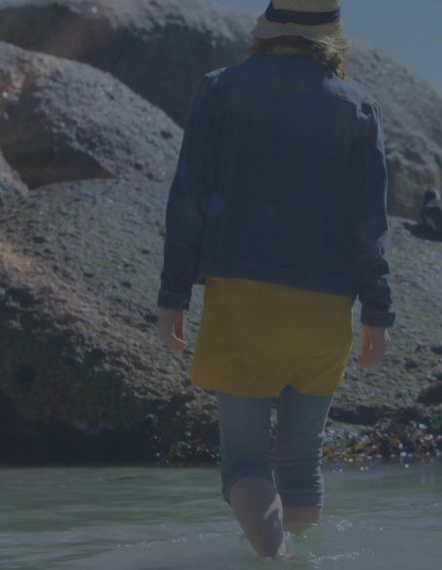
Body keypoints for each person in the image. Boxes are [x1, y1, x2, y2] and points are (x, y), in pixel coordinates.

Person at [153, 0, 395, 559]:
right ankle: (302, 555)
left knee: (243, 460)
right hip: (326, 310)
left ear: (266, 31)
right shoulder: (359, 109)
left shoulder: (220, 89)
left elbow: (187, 201)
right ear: (331, 39)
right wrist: (378, 312)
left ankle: (277, 557)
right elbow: (370, 225)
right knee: (300, 458)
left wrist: (173, 294)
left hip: (243, 301)